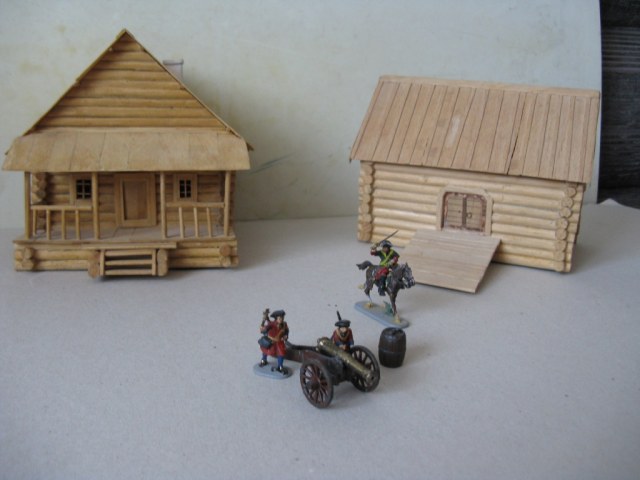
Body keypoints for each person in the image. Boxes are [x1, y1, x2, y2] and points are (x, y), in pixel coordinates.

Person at [258, 309, 289, 374]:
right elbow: (264, 330)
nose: (281, 319)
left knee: (281, 353)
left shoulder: (284, 324)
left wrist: (286, 336)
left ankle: (280, 366)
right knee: (266, 350)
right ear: (276, 318)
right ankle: (263, 360)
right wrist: (263, 328)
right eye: (280, 318)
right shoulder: (272, 324)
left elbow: (286, 331)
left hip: (279, 342)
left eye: (282, 318)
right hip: (271, 341)